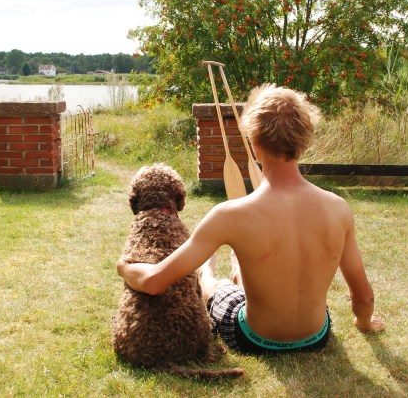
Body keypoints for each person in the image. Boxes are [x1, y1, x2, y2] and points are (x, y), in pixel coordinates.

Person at [116, 84, 385, 355]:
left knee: (217, 286)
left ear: (254, 144)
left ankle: (211, 274)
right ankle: (238, 271)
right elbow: (364, 296)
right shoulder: (338, 208)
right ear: (303, 141)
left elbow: (153, 282)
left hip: (254, 338)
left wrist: (125, 268)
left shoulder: (229, 214)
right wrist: (364, 323)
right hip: (316, 337)